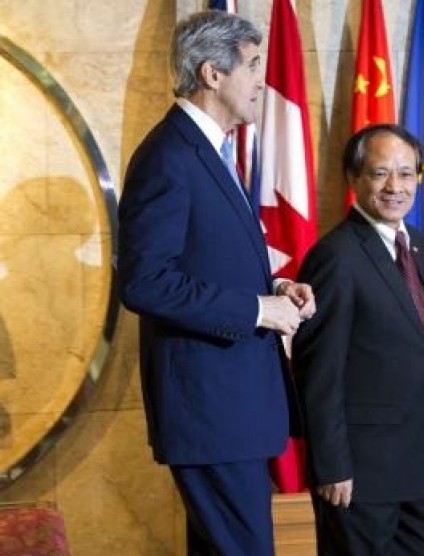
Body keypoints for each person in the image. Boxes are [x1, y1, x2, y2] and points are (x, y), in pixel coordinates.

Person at [117, 10, 314, 556]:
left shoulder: (210, 150)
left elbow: (206, 259)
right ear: (212, 74)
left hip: (232, 411)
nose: (261, 81)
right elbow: (145, 282)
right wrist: (258, 311)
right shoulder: (170, 156)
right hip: (210, 412)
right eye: (252, 66)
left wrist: (276, 288)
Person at [292, 124, 424, 555]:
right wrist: (331, 466)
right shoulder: (335, 257)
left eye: (406, 173)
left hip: (419, 470)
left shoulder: (415, 245)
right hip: (358, 478)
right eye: (381, 174)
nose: (396, 187)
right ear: (353, 179)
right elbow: (318, 373)